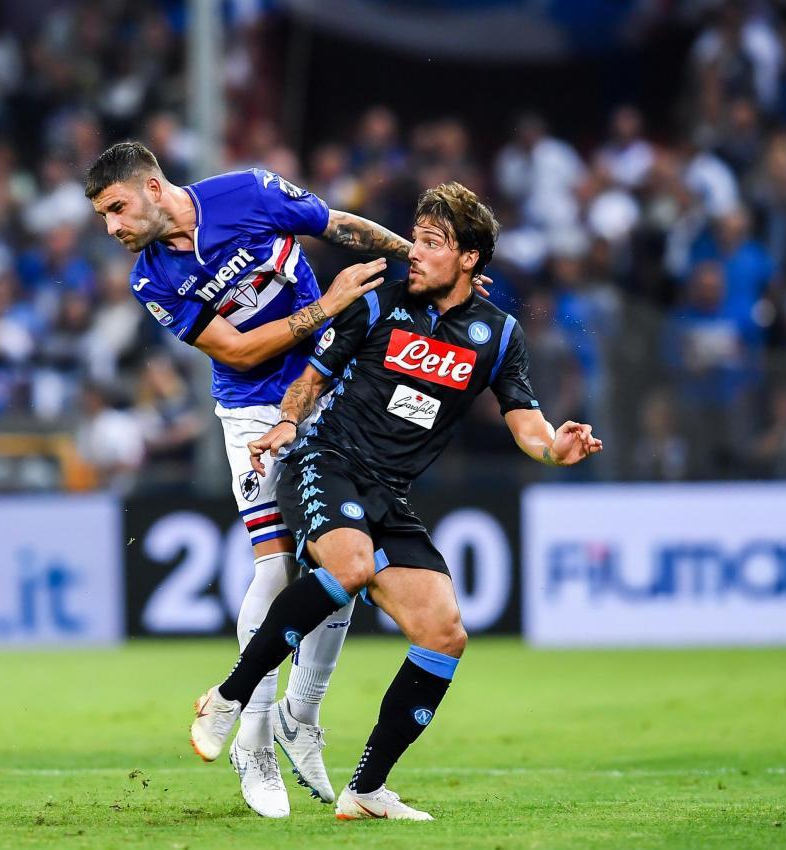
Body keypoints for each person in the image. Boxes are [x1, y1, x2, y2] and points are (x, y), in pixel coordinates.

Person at [85, 141, 490, 817]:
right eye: (103, 216)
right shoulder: (150, 279)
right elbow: (237, 349)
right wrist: (327, 305)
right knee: (274, 571)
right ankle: (255, 740)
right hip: (251, 413)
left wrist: (424, 271)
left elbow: (338, 225)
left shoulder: (246, 193)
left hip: (333, 389)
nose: (112, 227)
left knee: (339, 565)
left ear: (153, 188)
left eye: (117, 208)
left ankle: (303, 715)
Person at [189, 182, 602, 821]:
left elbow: (526, 423)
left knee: (445, 631)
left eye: (433, 243)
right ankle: (229, 696)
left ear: (469, 259)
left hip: (389, 492)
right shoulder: (378, 301)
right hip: (326, 463)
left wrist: (555, 447)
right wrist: (290, 423)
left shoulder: (497, 335)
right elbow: (312, 378)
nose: (417, 250)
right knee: (348, 568)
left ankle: (366, 789)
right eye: (417, 237)